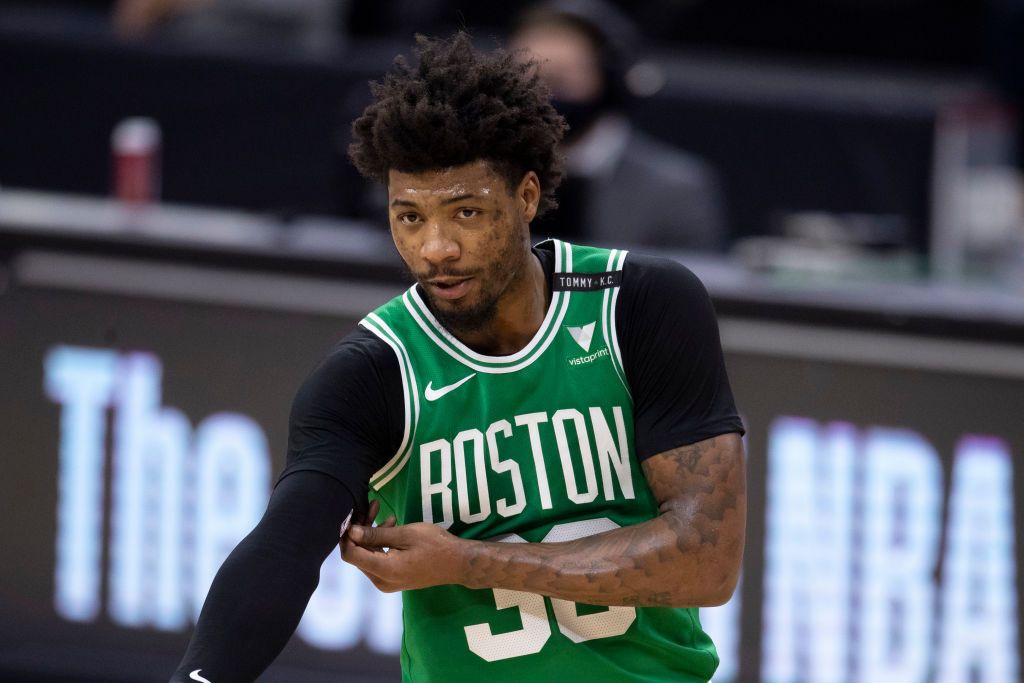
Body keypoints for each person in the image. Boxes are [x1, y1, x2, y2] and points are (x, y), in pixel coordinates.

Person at [171, 32, 745, 683]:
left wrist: (464, 562)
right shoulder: (372, 372)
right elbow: (283, 550)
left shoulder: (639, 305)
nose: (435, 247)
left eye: (465, 211)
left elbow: (708, 560)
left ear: (526, 197)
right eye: (408, 217)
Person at [509, 0, 729, 251]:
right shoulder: (487, 173)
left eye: (561, 79)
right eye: (527, 77)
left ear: (610, 82)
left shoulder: (675, 190)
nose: (544, 93)